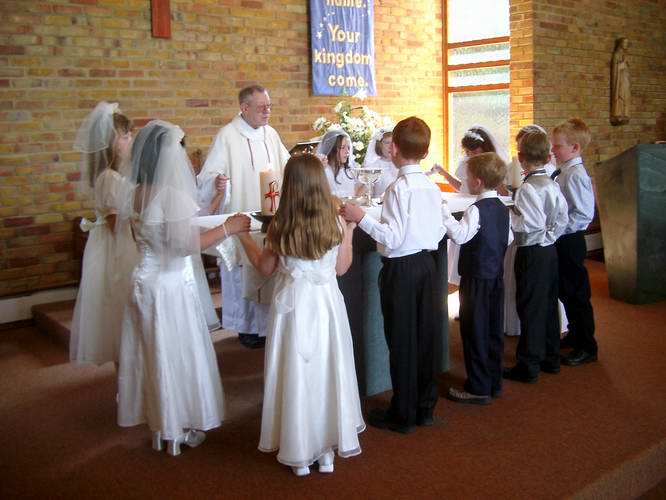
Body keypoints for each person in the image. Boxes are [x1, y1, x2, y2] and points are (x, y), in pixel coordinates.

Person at [116, 120, 251, 456]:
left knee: (153, 354)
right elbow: (186, 244)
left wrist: (217, 199)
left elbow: (162, 230)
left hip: (144, 281)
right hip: (170, 286)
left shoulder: (133, 192)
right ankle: (176, 429)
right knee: (175, 354)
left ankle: (161, 426)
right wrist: (230, 227)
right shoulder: (170, 195)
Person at [237, 153, 364, 477]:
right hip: (325, 304)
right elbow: (342, 268)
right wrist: (350, 230)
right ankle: (326, 452)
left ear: (290, 185)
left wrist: (244, 238)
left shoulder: (281, 224)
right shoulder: (334, 220)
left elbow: (265, 268)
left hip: (292, 305)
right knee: (326, 370)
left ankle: (300, 452)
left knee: (295, 372)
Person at [341, 117, 444, 433]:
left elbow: (393, 238)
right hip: (427, 266)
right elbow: (439, 228)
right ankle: (425, 407)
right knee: (425, 337)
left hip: (401, 269)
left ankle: (403, 414)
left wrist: (361, 217)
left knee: (401, 340)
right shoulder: (431, 186)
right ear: (425, 152)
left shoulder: (399, 188)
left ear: (394, 149)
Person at [198, 84, 290, 349]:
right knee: (242, 270)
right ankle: (247, 327)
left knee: (268, 266)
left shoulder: (271, 134)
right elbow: (207, 177)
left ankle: (266, 326)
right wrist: (218, 183)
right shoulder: (227, 136)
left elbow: (288, 166)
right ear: (244, 108)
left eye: (269, 106)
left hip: (270, 215)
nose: (267, 111)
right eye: (262, 107)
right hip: (243, 218)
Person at [69, 102, 139, 366]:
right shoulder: (109, 178)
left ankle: (129, 368)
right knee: (118, 305)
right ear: (111, 143)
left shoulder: (113, 175)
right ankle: (126, 371)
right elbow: (115, 223)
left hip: (114, 242)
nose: (130, 140)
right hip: (116, 247)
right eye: (125, 136)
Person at [442, 153, 511, 405]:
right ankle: (494, 381)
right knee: (492, 329)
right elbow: (509, 238)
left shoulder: (476, 209)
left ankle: (478, 387)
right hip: (496, 277)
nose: (465, 180)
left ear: (478, 182)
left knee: (474, 330)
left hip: (476, 278)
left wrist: (444, 214)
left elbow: (460, 236)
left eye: (468, 176)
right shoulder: (502, 208)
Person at [503, 130, 568, 383]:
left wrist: (510, 214)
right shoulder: (551, 183)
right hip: (550, 251)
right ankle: (551, 357)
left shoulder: (528, 188)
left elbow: (528, 225)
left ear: (521, 158)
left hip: (532, 252)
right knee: (548, 304)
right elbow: (562, 218)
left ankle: (529, 364)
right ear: (548, 156)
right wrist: (550, 237)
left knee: (530, 306)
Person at [432, 126, 506, 287]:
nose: (470, 155)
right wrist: (444, 173)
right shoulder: (468, 164)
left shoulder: (490, 166)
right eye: (468, 152)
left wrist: (443, 210)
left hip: (479, 211)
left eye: (474, 151)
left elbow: (459, 235)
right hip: (493, 270)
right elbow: (463, 187)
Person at [550, 118, 598, 366]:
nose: (553, 150)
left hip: (570, 239)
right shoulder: (564, 171)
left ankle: (587, 345)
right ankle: (575, 334)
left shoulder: (576, 175)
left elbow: (583, 214)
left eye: (557, 146)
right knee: (566, 291)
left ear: (575, 147)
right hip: (562, 237)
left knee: (577, 293)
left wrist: (557, 230)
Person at [316, 128, 359, 198]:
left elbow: (354, 194)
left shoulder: (349, 171)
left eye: (348, 147)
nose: (347, 151)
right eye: (343, 147)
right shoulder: (324, 171)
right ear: (332, 149)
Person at [363, 126, 398, 198]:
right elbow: (366, 194)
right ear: (380, 145)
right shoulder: (373, 167)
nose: (390, 147)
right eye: (387, 143)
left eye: (393, 143)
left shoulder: (401, 164)